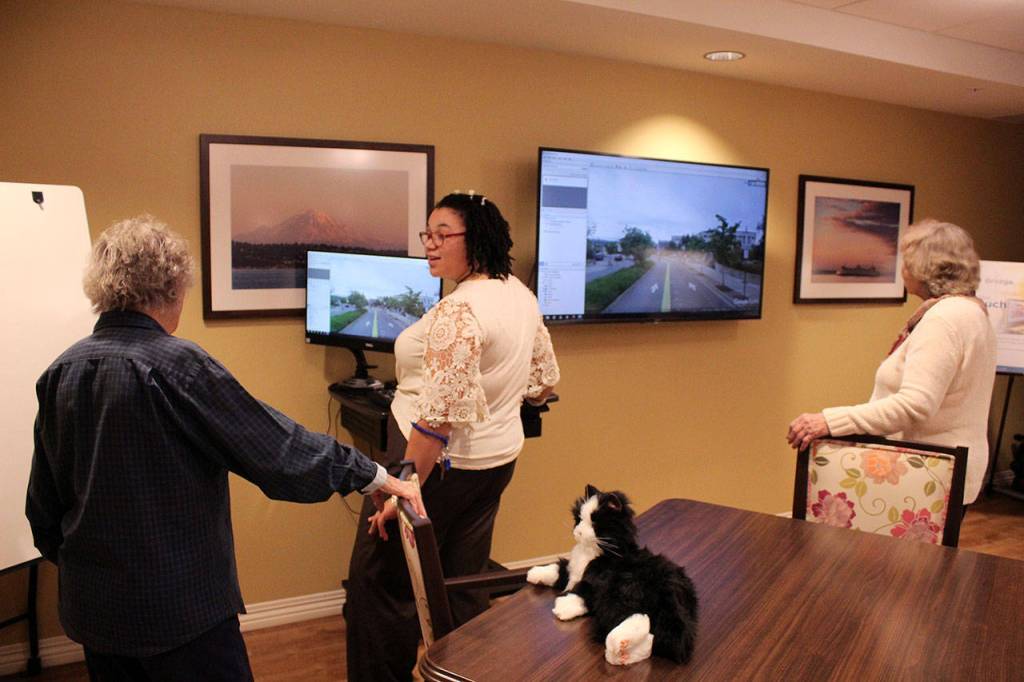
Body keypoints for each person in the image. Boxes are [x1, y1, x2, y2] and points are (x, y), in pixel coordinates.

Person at [25, 216, 424, 682]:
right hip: (181, 612)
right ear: (173, 288)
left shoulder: (61, 371)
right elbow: (279, 451)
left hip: (95, 613)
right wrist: (373, 475)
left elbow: (43, 509)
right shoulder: (178, 366)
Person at [345, 192, 560, 681]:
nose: (431, 244)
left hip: (431, 469)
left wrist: (401, 491)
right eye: (428, 234)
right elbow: (542, 384)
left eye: (444, 235)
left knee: (380, 589)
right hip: (493, 465)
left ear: (476, 238)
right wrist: (497, 392)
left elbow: (436, 421)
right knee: (462, 585)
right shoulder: (519, 295)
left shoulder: (459, 309)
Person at [787, 218, 997, 504]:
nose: (902, 269)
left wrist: (831, 421)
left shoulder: (944, 319)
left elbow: (915, 405)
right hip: (947, 471)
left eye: (906, 261)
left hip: (928, 475)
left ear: (924, 268)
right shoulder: (971, 312)